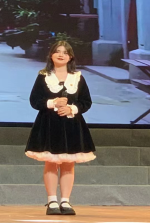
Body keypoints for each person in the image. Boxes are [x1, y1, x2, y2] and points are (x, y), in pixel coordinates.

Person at [25, 41, 96, 216]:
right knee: (51, 162)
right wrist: (53, 103)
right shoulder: (43, 76)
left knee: (68, 163)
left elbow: (86, 102)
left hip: (71, 125)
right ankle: (52, 201)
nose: (61, 55)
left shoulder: (77, 77)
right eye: (57, 51)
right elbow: (35, 101)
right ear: (51, 55)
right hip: (49, 125)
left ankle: (65, 200)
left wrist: (72, 108)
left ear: (70, 57)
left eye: (65, 52)